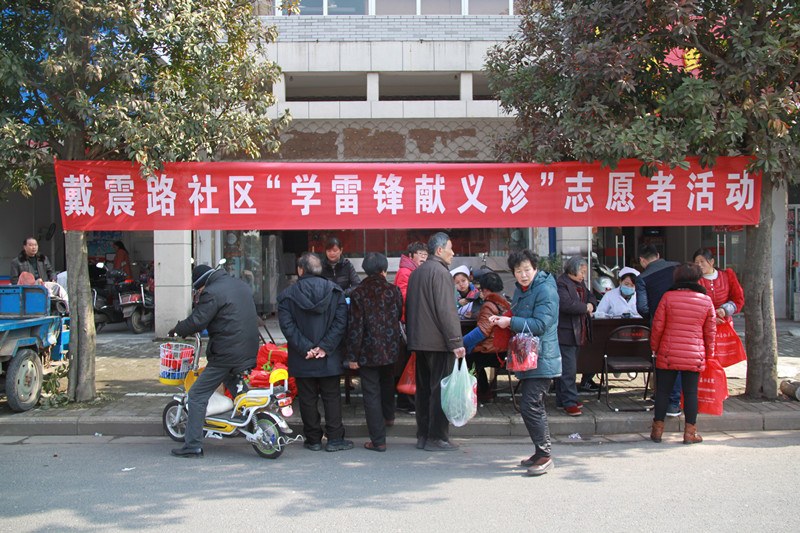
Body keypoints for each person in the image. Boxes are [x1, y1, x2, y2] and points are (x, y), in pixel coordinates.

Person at [168, 264, 259, 458]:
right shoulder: (239, 285)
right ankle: (253, 422)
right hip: (248, 348)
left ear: (202, 283)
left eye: (198, 289)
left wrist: (177, 329)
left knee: (196, 395)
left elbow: (198, 321)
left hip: (227, 353)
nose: (200, 292)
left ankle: (192, 446)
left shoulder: (212, 292)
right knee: (234, 383)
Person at [490, 249, 561, 476]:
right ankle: (540, 453)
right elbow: (519, 315)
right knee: (531, 405)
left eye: (527, 270)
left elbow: (540, 324)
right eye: (518, 271)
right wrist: (504, 319)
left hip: (542, 357)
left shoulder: (546, 290)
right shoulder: (521, 290)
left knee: (531, 404)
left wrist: (510, 322)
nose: (523, 275)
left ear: (535, 268)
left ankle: (545, 454)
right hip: (527, 357)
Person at [278, 252, 352, 452]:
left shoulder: (287, 295)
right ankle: (335, 438)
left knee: (307, 398)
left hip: (302, 356)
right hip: (329, 356)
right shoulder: (335, 292)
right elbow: (341, 323)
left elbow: (287, 327)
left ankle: (313, 439)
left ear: (300, 270)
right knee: (332, 396)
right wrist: (324, 347)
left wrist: (306, 348)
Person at [405, 231, 466, 452]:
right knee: (440, 390)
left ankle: (423, 435)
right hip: (438, 343)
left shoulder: (416, 273)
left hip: (419, 341)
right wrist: (456, 342)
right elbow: (446, 311)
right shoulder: (441, 273)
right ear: (439, 250)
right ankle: (437, 437)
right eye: (450, 248)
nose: (453, 252)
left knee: (423, 391)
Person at [649, 263, 716, 444]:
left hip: (668, 352)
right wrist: (709, 354)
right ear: (697, 279)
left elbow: (658, 326)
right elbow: (710, 331)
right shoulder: (705, 300)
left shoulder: (668, 297)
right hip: (694, 353)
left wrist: (655, 347)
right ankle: (690, 434)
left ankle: (657, 431)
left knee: (663, 392)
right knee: (691, 393)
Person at [345, 252, 405, 452]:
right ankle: (389, 416)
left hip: (367, 350)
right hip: (390, 348)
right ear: (384, 270)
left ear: (365, 270)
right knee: (387, 382)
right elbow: (398, 315)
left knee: (371, 393)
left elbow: (355, 327)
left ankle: (378, 440)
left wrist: (352, 356)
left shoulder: (358, 293)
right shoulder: (394, 291)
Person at [635, 243, 682, 417]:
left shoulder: (643, 278)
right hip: (684, 322)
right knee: (680, 362)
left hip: (660, 326)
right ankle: (673, 402)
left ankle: (669, 401)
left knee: (664, 362)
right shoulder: (678, 268)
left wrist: (654, 316)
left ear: (642, 260)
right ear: (658, 255)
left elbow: (642, 307)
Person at [555, 256, 597, 417]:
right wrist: (585, 308)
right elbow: (566, 304)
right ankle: (569, 402)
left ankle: (563, 400)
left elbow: (591, 296)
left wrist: (591, 304)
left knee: (568, 368)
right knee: (568, 370)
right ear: (572, 269)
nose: (583, 275)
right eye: (582, 272)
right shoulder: (562, 283)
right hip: (565, 332)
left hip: (578, 331)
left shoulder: (580, 284)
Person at [462, 272, 510, 402]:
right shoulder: (505, 302)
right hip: (505, 351)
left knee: (468, 358)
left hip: (493, 352)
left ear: (486, 290)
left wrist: (461, 342)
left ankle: (482, 393)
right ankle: (484, 392)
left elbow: (481, 332)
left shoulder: (489, 305)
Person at [394, 241, 427, 412]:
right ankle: (408, 402)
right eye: (420, 254)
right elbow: (404, 297)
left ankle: (406, 401)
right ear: (411, 255)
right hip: (409, 323)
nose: (423, 258)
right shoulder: (405, 272)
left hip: (413, 322)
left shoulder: (413, 271)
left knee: (410, 363)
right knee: (410, 364)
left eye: (425, 255)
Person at [693, 248, 744, 326]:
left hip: (725, 323)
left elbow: (738, 299)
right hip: (702, 324)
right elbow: (692, 305)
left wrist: (725, 310)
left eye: (702, 261)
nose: (699, 265)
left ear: (712, 261)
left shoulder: (727, 275)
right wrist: (710, 319)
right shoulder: (693, 280)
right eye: (696, 262)